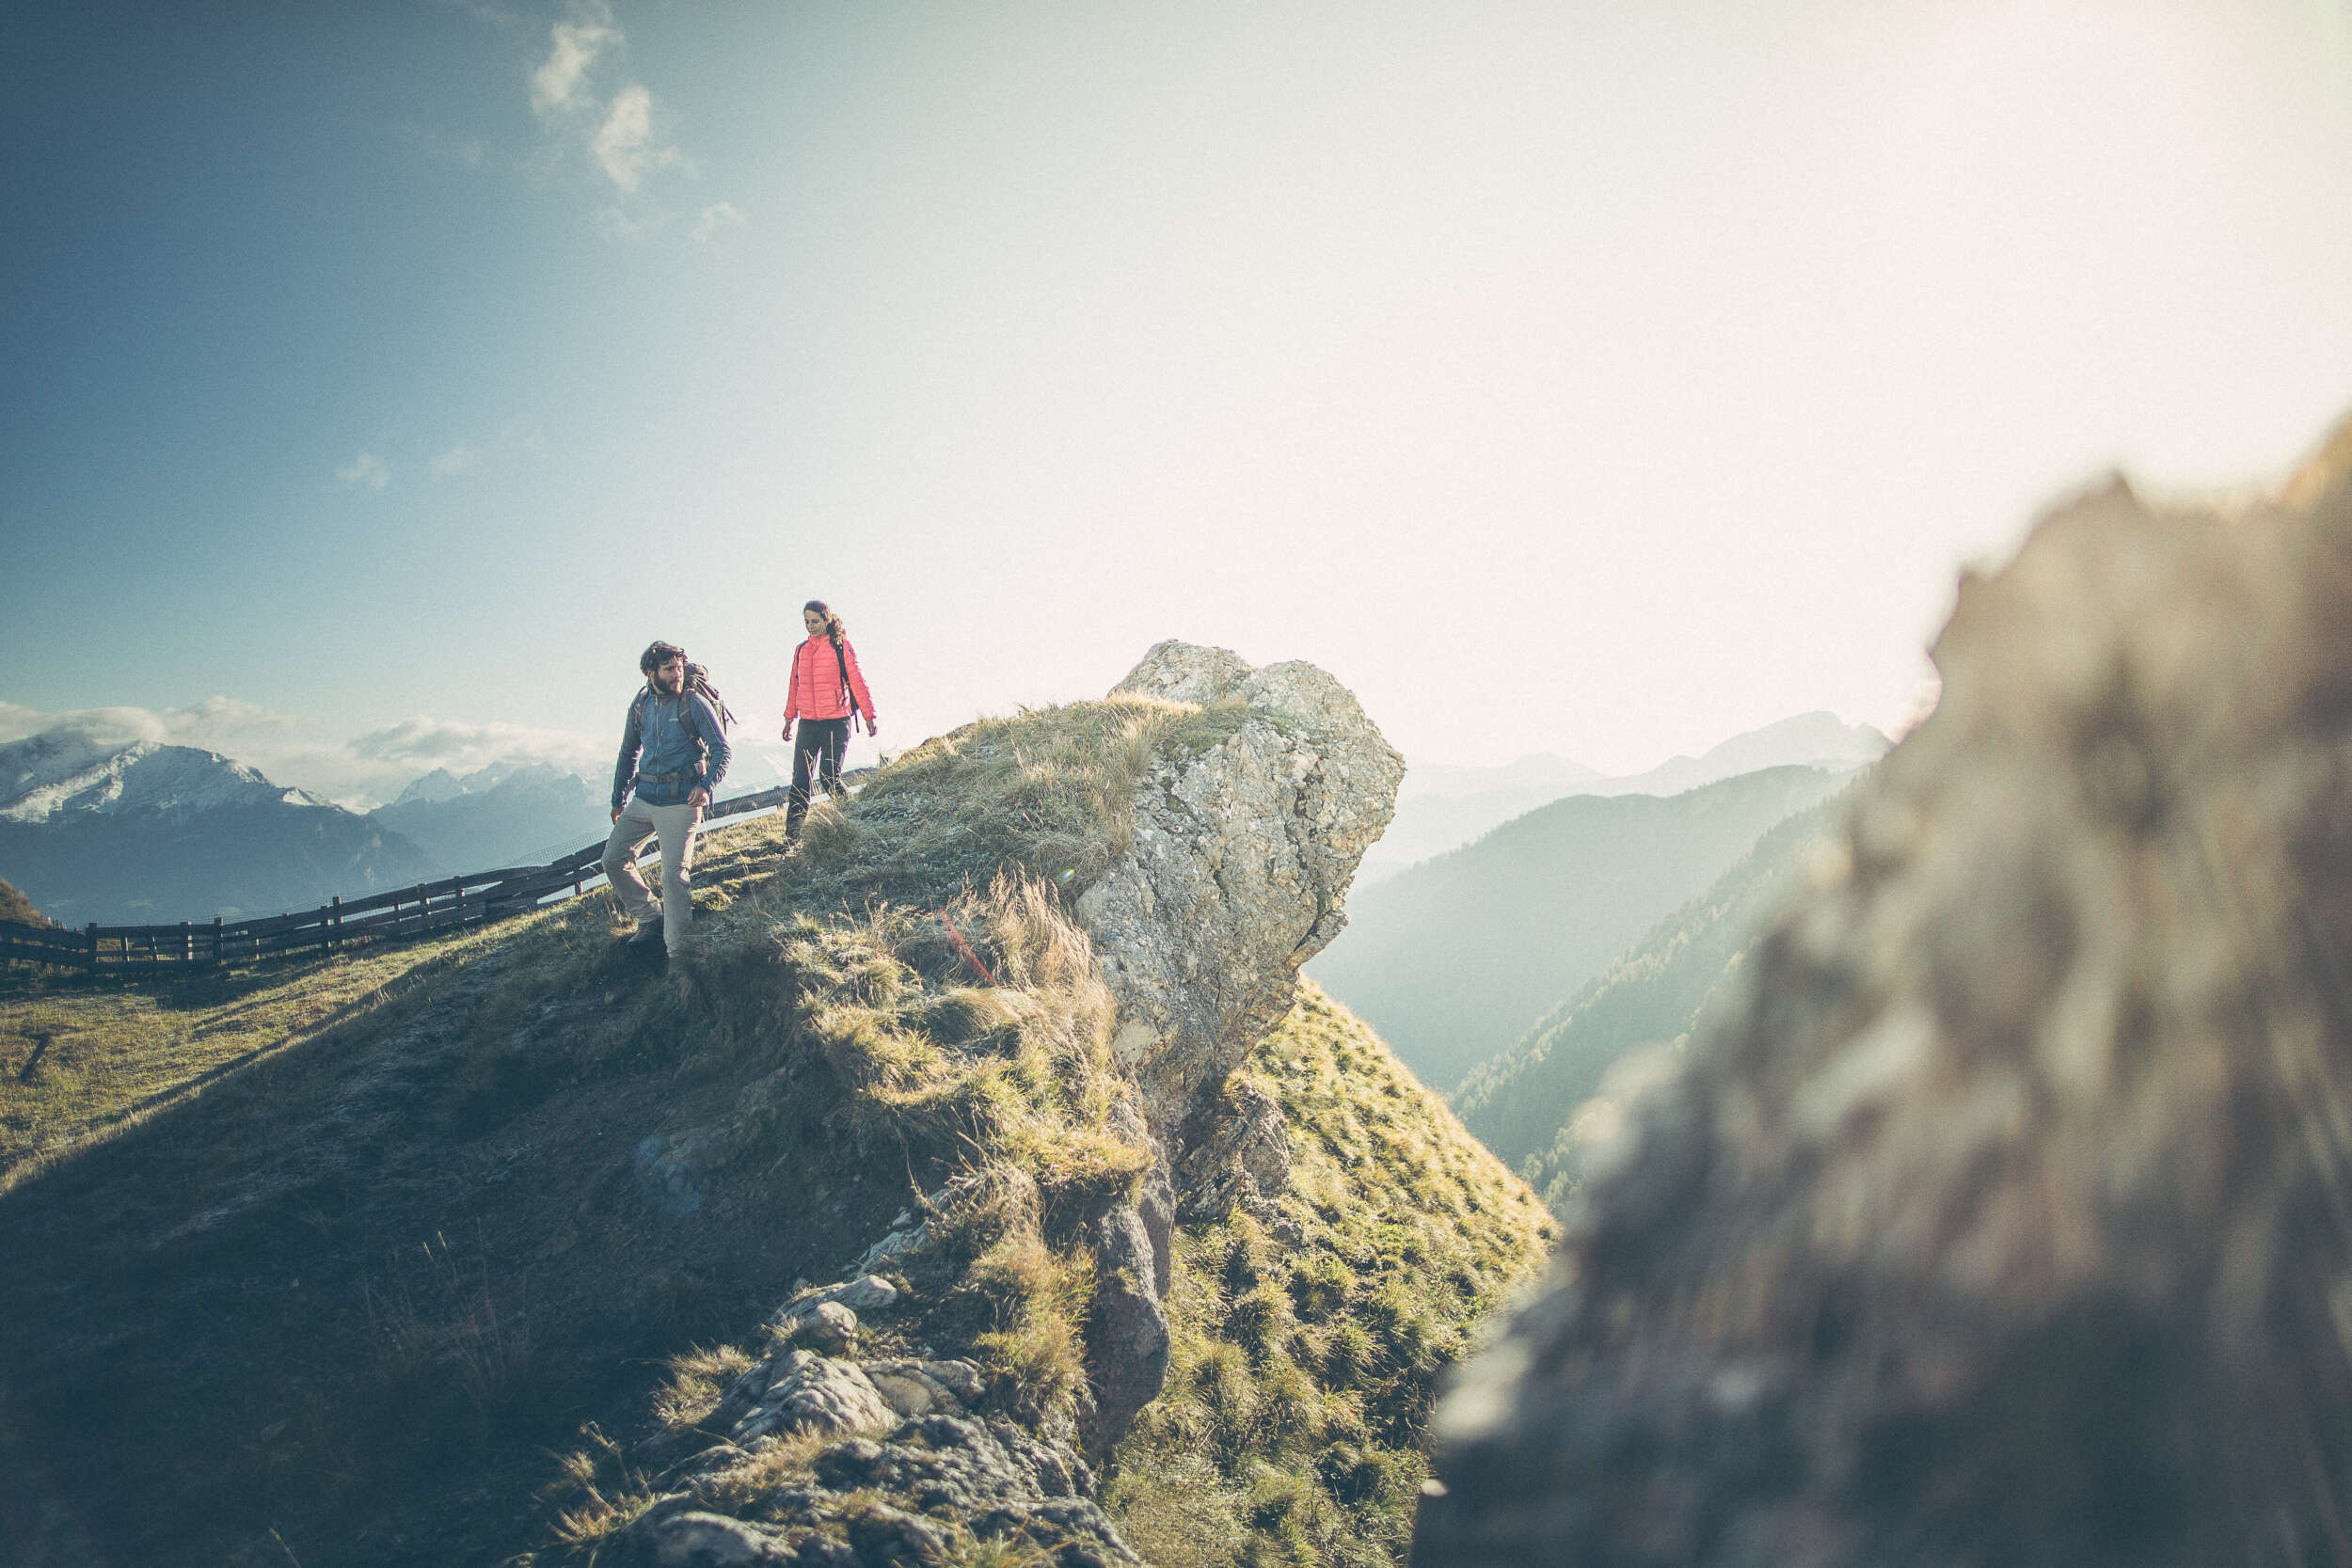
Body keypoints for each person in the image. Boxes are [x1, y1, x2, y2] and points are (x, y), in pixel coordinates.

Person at [605, 640, 732, 959]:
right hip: (644, 799)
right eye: (668, 669)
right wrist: (618, 798)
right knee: (613, 859)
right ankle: (649, 918)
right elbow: (628, 752)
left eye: (678, 667)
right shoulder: (640, 706)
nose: (677, 674)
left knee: (674, 878)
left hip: (681, 802)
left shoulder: (693, 703)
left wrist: (705, 786)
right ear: (650, 672)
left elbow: (722, 750)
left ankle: (677, 955)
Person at [781, 600, 877, 841]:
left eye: (815, 621)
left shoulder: (840, 646)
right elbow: (795, 684)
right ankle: (792, 838)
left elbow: (857, 681)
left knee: (828, 777)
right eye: (806, 622)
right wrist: (788, 718)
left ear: (826, 619)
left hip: (837, 721)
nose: (810, 626)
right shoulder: (801, 649)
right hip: (808, 723)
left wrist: (869, 715)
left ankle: (852, 819)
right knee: (800, 780)